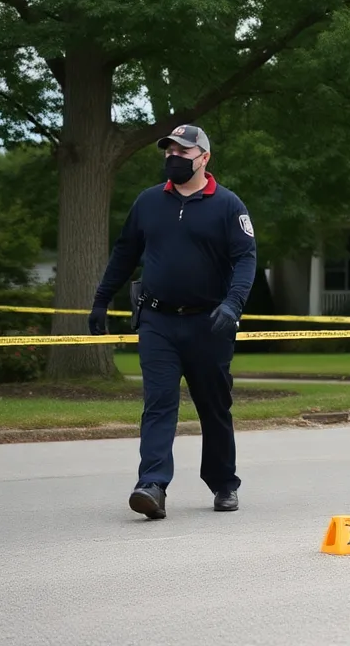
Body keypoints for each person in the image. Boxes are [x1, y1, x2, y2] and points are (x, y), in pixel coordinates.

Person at [88, 124, 257, 519]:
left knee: (213, 406)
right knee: (159, 402)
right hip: (157, 321)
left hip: (209, 323)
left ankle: (223, 483)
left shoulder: (229, 205)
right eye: (169, 152)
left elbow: (246, 259)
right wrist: (100, 300)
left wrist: (234, 304)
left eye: (183, 152)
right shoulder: (148, 202)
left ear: (204, 158)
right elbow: (125, 253)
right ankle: (152, 485)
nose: (173, 158)